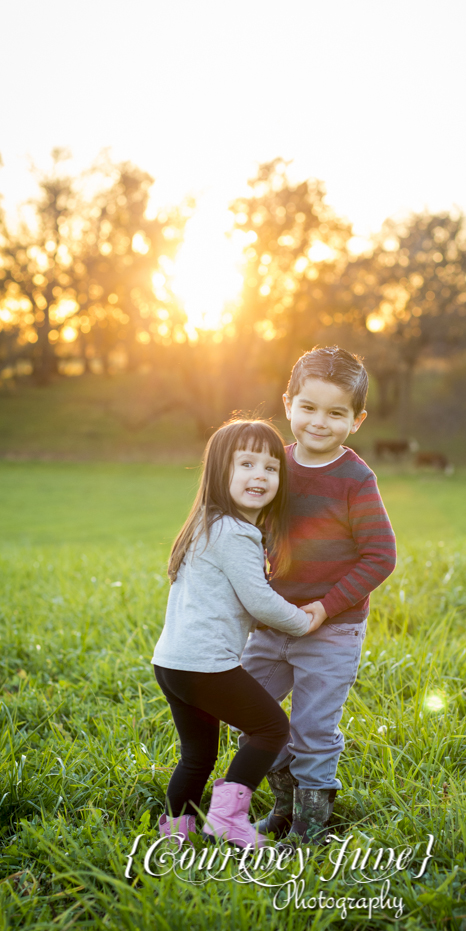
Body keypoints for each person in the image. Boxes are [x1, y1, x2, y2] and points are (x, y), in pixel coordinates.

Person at [241, 347, 397, 844]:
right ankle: (284, 803)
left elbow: (380, 556)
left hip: (332, 630)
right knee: (250, 715)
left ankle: (310, 821)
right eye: (308, 407)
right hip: (272, 623)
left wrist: (324, 608)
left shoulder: (355, 481)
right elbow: (252, 532)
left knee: (312, 729)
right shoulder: (274, 469)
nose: (319, 422)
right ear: (288, 404)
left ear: (357, 420)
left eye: (336, 413)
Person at [151, 419, 315, 850]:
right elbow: (258, 600)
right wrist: (304, 621)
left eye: (271, 468)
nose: (260, 475)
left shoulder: (207, 522)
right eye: (246, 464)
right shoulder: (236, 532)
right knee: (271, 729)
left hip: (172, 663)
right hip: (206, 664)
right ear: (220, 472)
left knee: (197, 755)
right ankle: (226, 818)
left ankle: (175, 835)